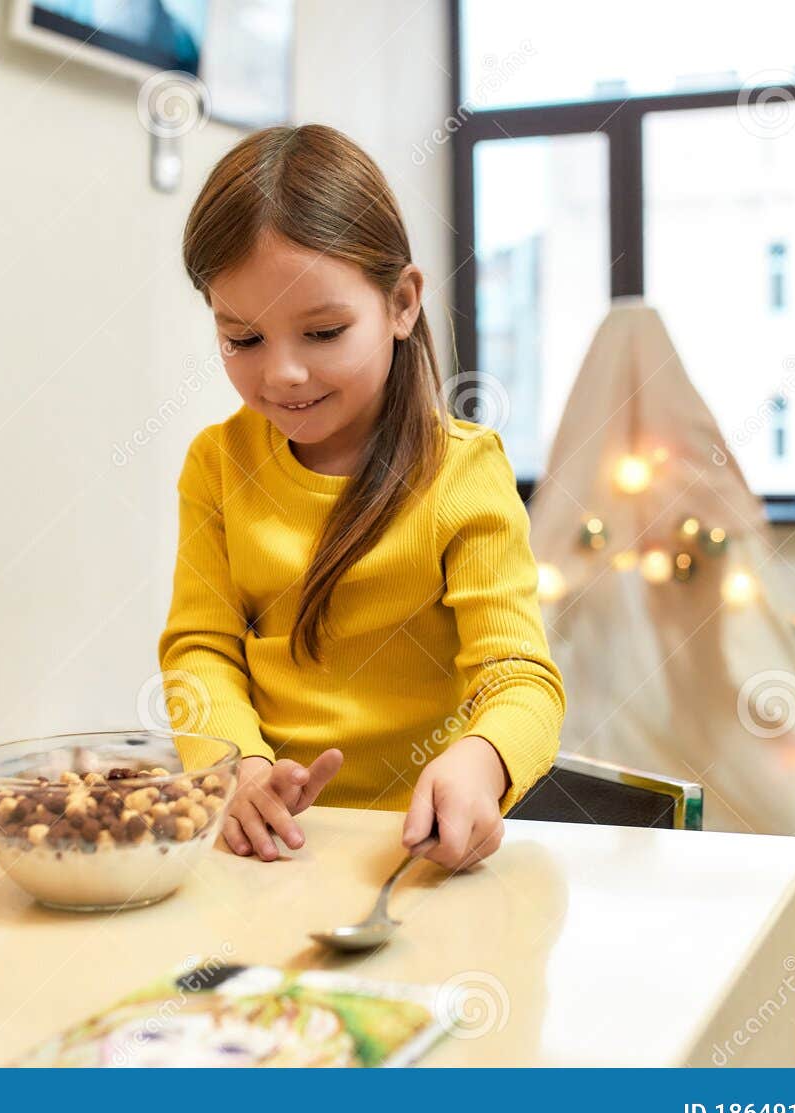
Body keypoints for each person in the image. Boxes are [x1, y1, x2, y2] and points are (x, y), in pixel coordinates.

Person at [159, 123, 564, 871]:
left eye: (322, 332)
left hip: (419, 855)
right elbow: (200, 647)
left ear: (402, 304)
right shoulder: (218, 464)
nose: (281, 373)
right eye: (243, 340)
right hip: (270, 852)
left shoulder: (464, 472)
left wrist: (481, 760)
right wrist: (238, 768)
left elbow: (520, 678)